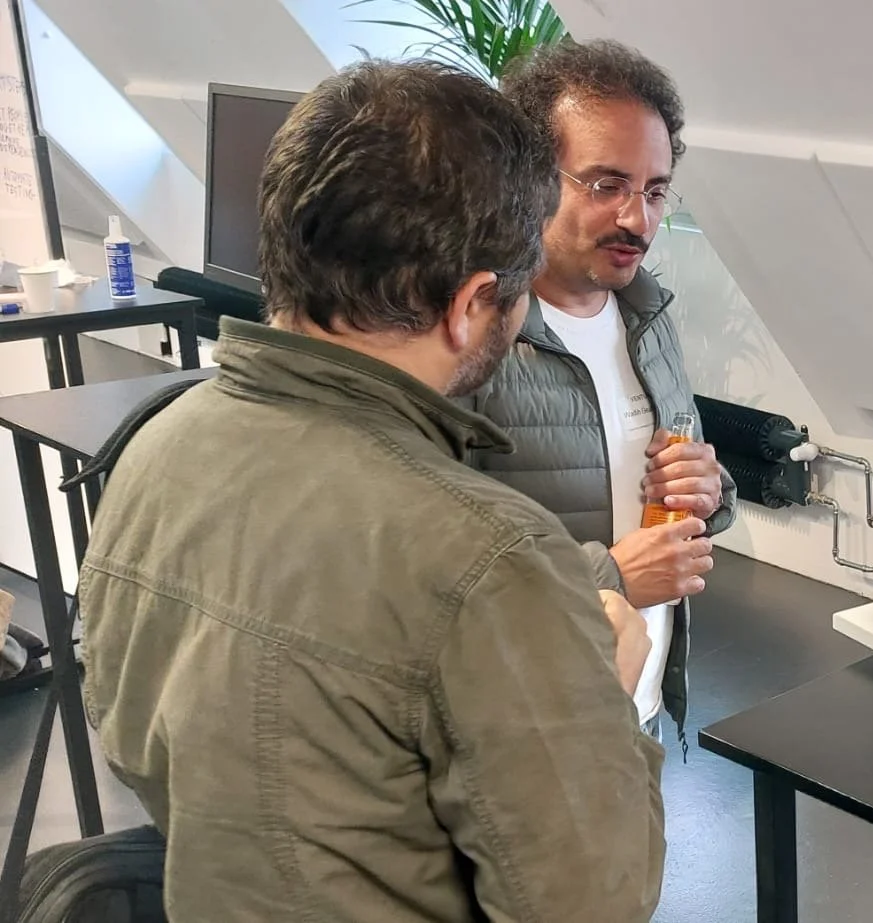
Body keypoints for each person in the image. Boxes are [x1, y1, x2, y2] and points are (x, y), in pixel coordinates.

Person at [76, 60, 669, 922]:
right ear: (471, 306)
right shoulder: (492, 556)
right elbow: (590, 902)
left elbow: (135, 733)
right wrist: (606, 698)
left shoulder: (155, 447)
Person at [471, 39, 733, 745]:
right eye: (605, 185)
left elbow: (693, 490)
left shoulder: (649, 316)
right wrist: (611, 575)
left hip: (634, 708)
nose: (638, 221)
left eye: (653, 191)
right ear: (530, 178)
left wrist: (713, 490)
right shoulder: (470, 341)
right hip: (525, 736)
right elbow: (429, 576)